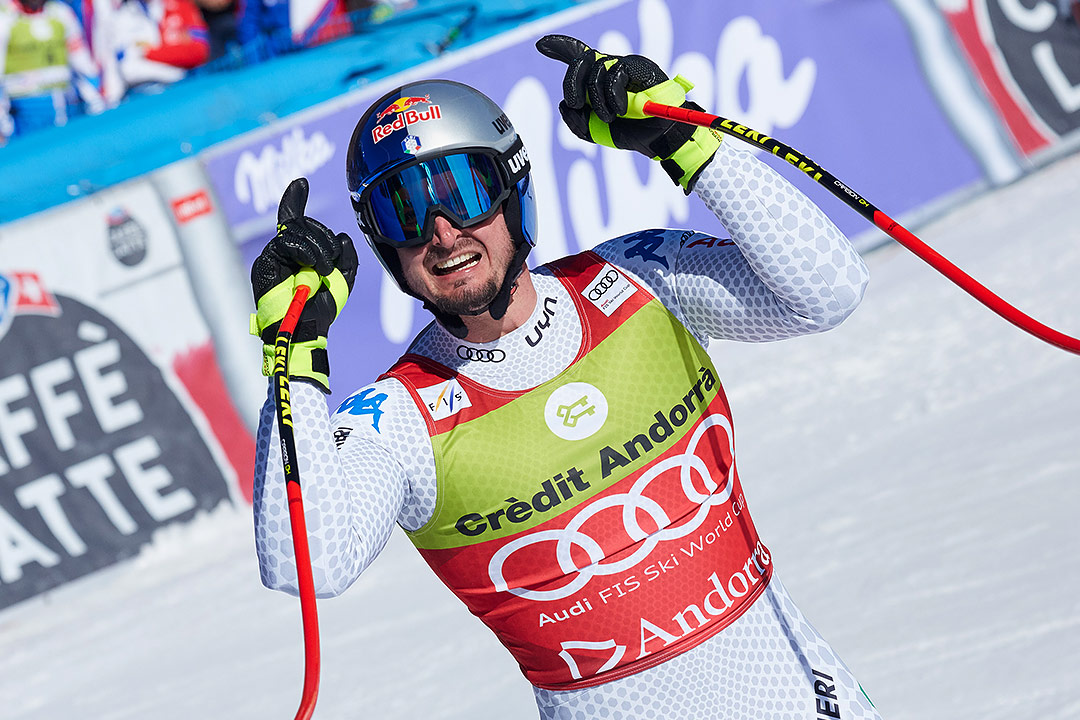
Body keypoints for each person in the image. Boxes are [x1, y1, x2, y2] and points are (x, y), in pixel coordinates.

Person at [250, 34, 881, 719]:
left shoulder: (636, 280)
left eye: (463, 191)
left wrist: (690, 144)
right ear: (383, 247)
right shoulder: (400, 415)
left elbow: (826, 291)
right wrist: (295, 357)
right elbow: (305, 566)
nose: (441, 231)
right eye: (403, 211)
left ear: (513, 188)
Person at [0, 0, 105, 141]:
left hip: (67, 105)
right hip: (26, 112)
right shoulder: (5, 16)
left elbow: (83, 65)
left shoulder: (60, 12)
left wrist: (96, 100)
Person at [92, 0, 209, 105]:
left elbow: (198, 52)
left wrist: (148, 52)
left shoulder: (179, 5)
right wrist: (177, 69)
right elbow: (129, 70)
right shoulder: (123, 17)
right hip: (145, 100)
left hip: (188, 91)